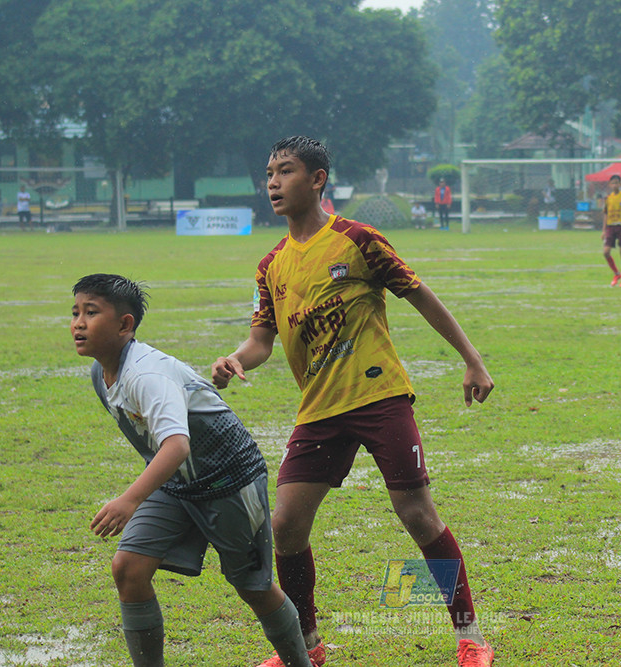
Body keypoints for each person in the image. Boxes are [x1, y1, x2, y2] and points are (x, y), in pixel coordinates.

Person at [211, 136, 496, 667]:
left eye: (285, 171)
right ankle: (308, 647)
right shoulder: (270, 265)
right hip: (319, 410)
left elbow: (419, 294)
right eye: (268, 172)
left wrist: (472, 358)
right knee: (286, 528)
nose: (272, 182)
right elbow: (261, 342)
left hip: (379, 397)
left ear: (317, 179)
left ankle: (472, 637)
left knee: (417, 514)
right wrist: (234, 360)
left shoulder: (357, 240)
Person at [70, 274, 314, 667]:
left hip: (230, 481)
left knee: (253, 586)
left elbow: (177, 445)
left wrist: (130, 500)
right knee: (128, 569)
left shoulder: (146, 375)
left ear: (125, 324)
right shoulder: (102, 374)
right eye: (76, 312)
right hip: (178, 482)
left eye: (92, 312)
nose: (78, 323)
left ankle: (302, 662)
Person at [602, 174, 621, 286]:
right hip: (610, 227)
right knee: (606, 252)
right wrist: (604, 230)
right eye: (613, 183)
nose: (615, 185)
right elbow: (605, 214)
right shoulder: (608, 199)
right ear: (610, 184)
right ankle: (616, 273)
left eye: (617, 183)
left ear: (620, 184)